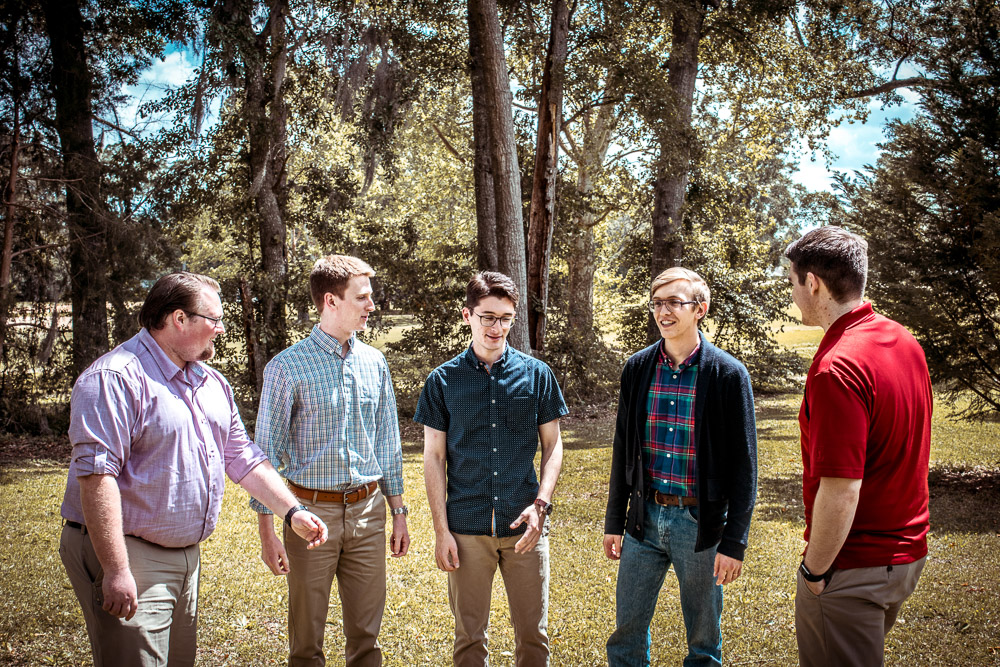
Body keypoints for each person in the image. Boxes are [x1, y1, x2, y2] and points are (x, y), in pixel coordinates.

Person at [59, 272, 328, 667]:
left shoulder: (210, 382)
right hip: (128, 552)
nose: (220, 330)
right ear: (178, 319)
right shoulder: (114, 378)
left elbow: (242, 456)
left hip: (186, 557)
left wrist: (292, 510)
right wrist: (117, 569)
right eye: (214, 319)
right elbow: (98, 478)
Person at [251, 255, 409, 667]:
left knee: (367, 638)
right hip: (309, 517)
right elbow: (263, 454)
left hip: (369, 512)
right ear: (330, 301)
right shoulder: (286, 367)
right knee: (306, 641)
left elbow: (388, 442)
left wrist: (399, 511)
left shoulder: (375, 362)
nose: (371, 305)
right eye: (363, 297)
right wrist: (268, 530)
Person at [785, 226, 932, 667]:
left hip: (852, 567)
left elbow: (842, 488)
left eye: (792, 282)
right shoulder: (902, 340)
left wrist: (815, 572)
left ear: (813, 283)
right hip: (905, 555)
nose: (793, 293)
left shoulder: (837, 368)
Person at [603, 267, 758, 667]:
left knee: (704, 642)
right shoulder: (637, 369)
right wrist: (613, 521)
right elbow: (624, 450)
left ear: (700, 309)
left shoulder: (727, 374)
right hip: (644, 521)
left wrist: (734, 542)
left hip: (700, 526)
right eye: (657, 303)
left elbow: (745, 467)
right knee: (626, 634)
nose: (663, 311)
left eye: (674, 302)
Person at [415, 271, 568, 666]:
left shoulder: (537, 375)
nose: (497, 327)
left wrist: (541, 505)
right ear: (467, 316)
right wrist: (440, 531)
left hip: (526, 524)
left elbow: (553, 445)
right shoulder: (442, 381)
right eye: (487, 317)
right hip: (466, 527)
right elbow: (433, 458)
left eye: (505, 318)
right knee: (469, 638)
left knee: (534, 636)